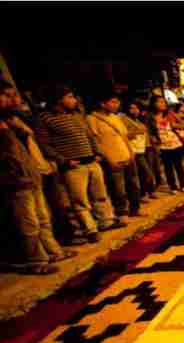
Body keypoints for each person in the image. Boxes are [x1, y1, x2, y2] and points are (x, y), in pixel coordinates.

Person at [0, 81, 78, 274]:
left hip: (32, 176)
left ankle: (53, 251)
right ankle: (36, 260)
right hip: (16, 182)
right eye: (7, 95)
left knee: (43, 218)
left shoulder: (14, 121)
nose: (14, 100)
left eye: (14, 95)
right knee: (29, 223)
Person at [36, 85, 123, 243]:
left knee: (100, 195)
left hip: (91, 160)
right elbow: (44, 144)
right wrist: (64, 160)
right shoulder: (46, 118)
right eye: (69, 97)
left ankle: (106, 221)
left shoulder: (77, 115)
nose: (73, 100)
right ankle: (89, 229)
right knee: (79, 200)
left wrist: (97, 153)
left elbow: (89, 136)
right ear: (58, 100)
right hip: (73, 165)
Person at [87, 91, 142, 217]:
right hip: (113, 158)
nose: (117, 104)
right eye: (113, 102)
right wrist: (107, 158)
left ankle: (135, 209)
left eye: (117, 102)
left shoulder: (116, 117)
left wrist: (131, 152)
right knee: (118, 189)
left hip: (127, 155)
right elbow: (96, 141)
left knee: (134, 185)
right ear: (102, 104)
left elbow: (123, 136)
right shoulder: (92, 119)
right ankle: (121, 212)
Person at [148, 95, 184, 194]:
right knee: (168, 168)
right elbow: (149, 131)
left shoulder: (170, 114)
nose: (163, 104)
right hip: (163, 145)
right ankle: (173, 186)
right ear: (153, 104)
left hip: (175, 142)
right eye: (160, 102)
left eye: (164, 102)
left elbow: (183, 124)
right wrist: (153, 139)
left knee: (179, 166)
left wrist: (175, 125)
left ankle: (183, 185)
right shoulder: (150, 117)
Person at [121, 101, 157, 200]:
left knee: (145, 173)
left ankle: (145, 192)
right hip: (133, 151)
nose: (135, 110)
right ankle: (141, 195)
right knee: (141, 173)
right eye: (132, 108)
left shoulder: (138, 120)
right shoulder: (124, 120)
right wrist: (137, 132)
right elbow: (124, 135)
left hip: (142, 149)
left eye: (136, 108)